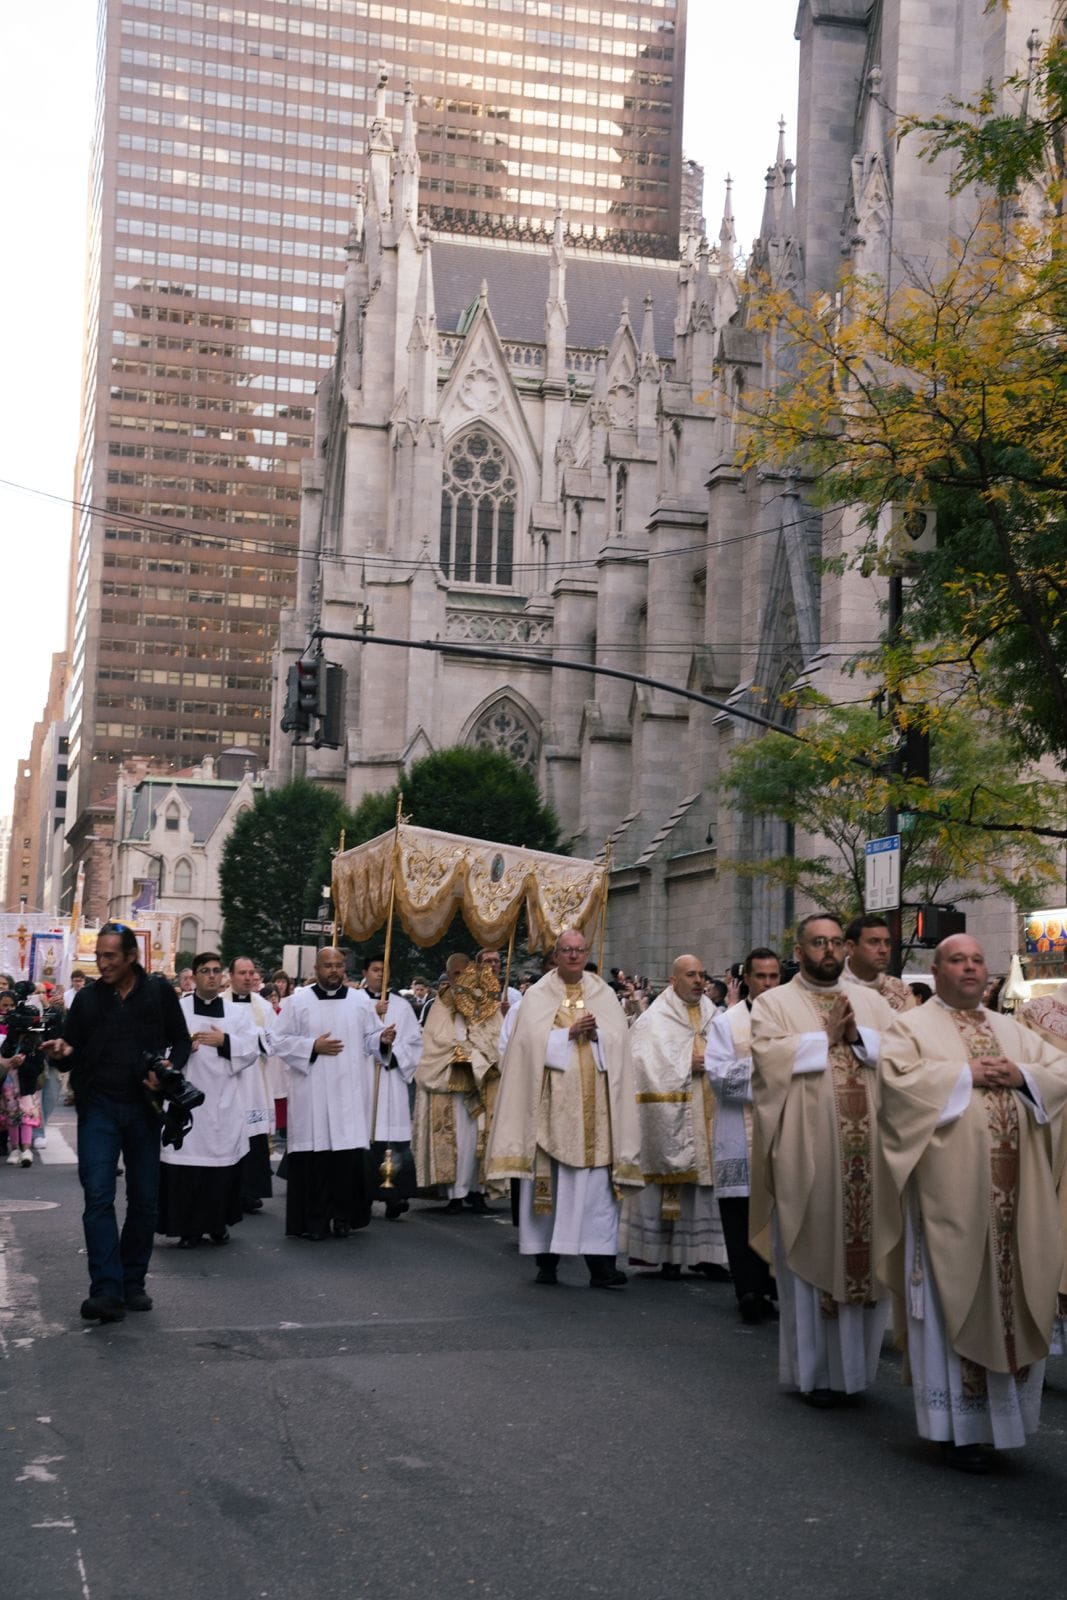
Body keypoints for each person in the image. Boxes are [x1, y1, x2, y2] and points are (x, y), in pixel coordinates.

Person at [876, 934, 1067, 1472]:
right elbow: (895, 1090)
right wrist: (964, 1075)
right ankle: (951, 1430)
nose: (969, 968)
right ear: (935, 971)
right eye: (956, 960)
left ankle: (1001, 1427)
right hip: (948, 1202)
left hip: (1016, 1202)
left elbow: (1059, 1075)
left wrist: (1022, 1075)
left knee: (1013, 1291)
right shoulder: (909, 1028)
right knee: (947, 1297)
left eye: (977, 960)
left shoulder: (1011, 1030)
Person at [750, 913, 895, 1405]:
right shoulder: (773, 1003)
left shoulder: (873, 1004)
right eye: (818, 943)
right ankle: (814, 1375)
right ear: (799, 948)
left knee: (867, 1257)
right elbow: (766, 1062)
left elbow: (903, 1059)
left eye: (835, 942)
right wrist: (822, 1038)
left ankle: (857, 1374)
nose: (829, 951)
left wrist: (861, 1039)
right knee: (811, 1255)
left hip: (869, 1157)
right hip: (808, 1155)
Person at [42, 923, 191, 1323]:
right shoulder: (88, 999)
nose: (102, 963)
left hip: (144, 1109)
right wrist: (60, 1052)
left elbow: (181, 1039)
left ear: (130, 958)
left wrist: (167, 1070)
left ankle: (132, 1282)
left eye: (110, 956)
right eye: (99, 956)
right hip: (99, 1109)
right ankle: (105, 1290)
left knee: (144, 1200)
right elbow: (71, 1052)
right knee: (98, 1197)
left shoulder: (159, 992)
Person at [486, 929, 643, 1288]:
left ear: (588, 953)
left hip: (597, 1111)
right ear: (556, 955)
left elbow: (621, 1044)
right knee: (551, 1188)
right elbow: (523, 1047)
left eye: (579, 950)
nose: (573, 956)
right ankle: (547, 1260)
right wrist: (568, 1034)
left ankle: (601, 1266)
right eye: (566, 950)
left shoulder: (602, 993)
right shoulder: (539, 995)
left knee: (598, 1192)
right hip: (551, 1109)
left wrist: (600, 1034)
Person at [620, 953, 728, 1280]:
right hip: (674, 1116)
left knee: (706, 1191)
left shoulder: (714, 1015)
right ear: (673, 980)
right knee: (674, 1186)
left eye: (702, 975)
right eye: (691, 975)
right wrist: (685, 1064)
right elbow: (641, 1064)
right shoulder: (654, 1019)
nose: (699, 981)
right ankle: (666, 1255)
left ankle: (706, 1255)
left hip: (710, 1111)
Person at [271, 947, 374, 1241]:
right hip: (312, 1093)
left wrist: (383, 1038)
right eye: (328, 966)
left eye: (339, 966)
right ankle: (313, 1221)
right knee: (314, 1163)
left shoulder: (360, 1001)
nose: (334, 971)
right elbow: (278, 1040)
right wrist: (311, 1047)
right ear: (316, 969)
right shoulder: (297, 1002)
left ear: (345, 969)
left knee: (345, 1162)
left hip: (347, 1092)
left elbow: (370, 1036)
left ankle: (343, 1218)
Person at [158, 952, 258, 1249]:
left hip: (223, 1098)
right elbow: (161, 1048)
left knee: (220, 1165)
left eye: (216, 971)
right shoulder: (177, 1009)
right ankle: (188, 1228)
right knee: (187, 1166)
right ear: (195, 976)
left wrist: (224, 1042)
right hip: (184, 1099)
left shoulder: (237, 1014)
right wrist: (182, 1049)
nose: (212, 976)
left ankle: (217, 1224)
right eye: (205, 971)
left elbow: (251, 1049)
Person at [705, 947, 783, 1323]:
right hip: (741, 1132)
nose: (768, 984)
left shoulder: (792, 1019)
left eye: (774, 977)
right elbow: (719, 1078)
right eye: (761, 977)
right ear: (746, 979)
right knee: (742, 1213)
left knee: (779, 1211)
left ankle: (776, 1285)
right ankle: (749, 1290)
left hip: (784, 1133)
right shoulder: (726, 1022)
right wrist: (771, 1068)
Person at [412, 953, 501, 1214]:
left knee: (479, 1138)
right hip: (451, 1083)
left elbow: (496, 1038)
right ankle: (455, 1193)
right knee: (458, 1140)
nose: (461, 979)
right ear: (449, 976)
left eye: (466, 973)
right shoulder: (440, 1004)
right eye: (456, 975)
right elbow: (434, 1042)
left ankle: (478, 1191)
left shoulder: (486, 1001)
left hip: (481, 1081)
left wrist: (480, 1055)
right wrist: (460, 1052)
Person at [352, 952, 423, 1219]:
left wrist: (391, 1050)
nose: (380, 974)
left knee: (392, 1138)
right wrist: (373, 1020)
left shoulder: (401, 1006)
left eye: (384, 969)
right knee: (365, 1140)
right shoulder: (354, 1002)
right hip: (364, 1078)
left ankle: (395, 1196)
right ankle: (364, 1195)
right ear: (365, 973)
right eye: (374, 969)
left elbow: (414, 1043)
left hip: (390, 1078)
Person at [228, 956, 277, 1213]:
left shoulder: (263, 1007)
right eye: (242, 973)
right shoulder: (219, 1003)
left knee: (253, 1136)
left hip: (254, 1079)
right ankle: (229, 1190)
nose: (247, 977)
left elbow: (274, 1040)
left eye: (251, 973)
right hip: (228, 1079)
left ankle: (250, 1190)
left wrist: (256, 1041)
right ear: (231, 976)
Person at [843, 914, 916, 1013]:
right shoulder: (827, 986)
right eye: (873, 942)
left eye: (887, 943)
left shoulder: (901, 991)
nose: (884, 950)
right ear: (851, 947)